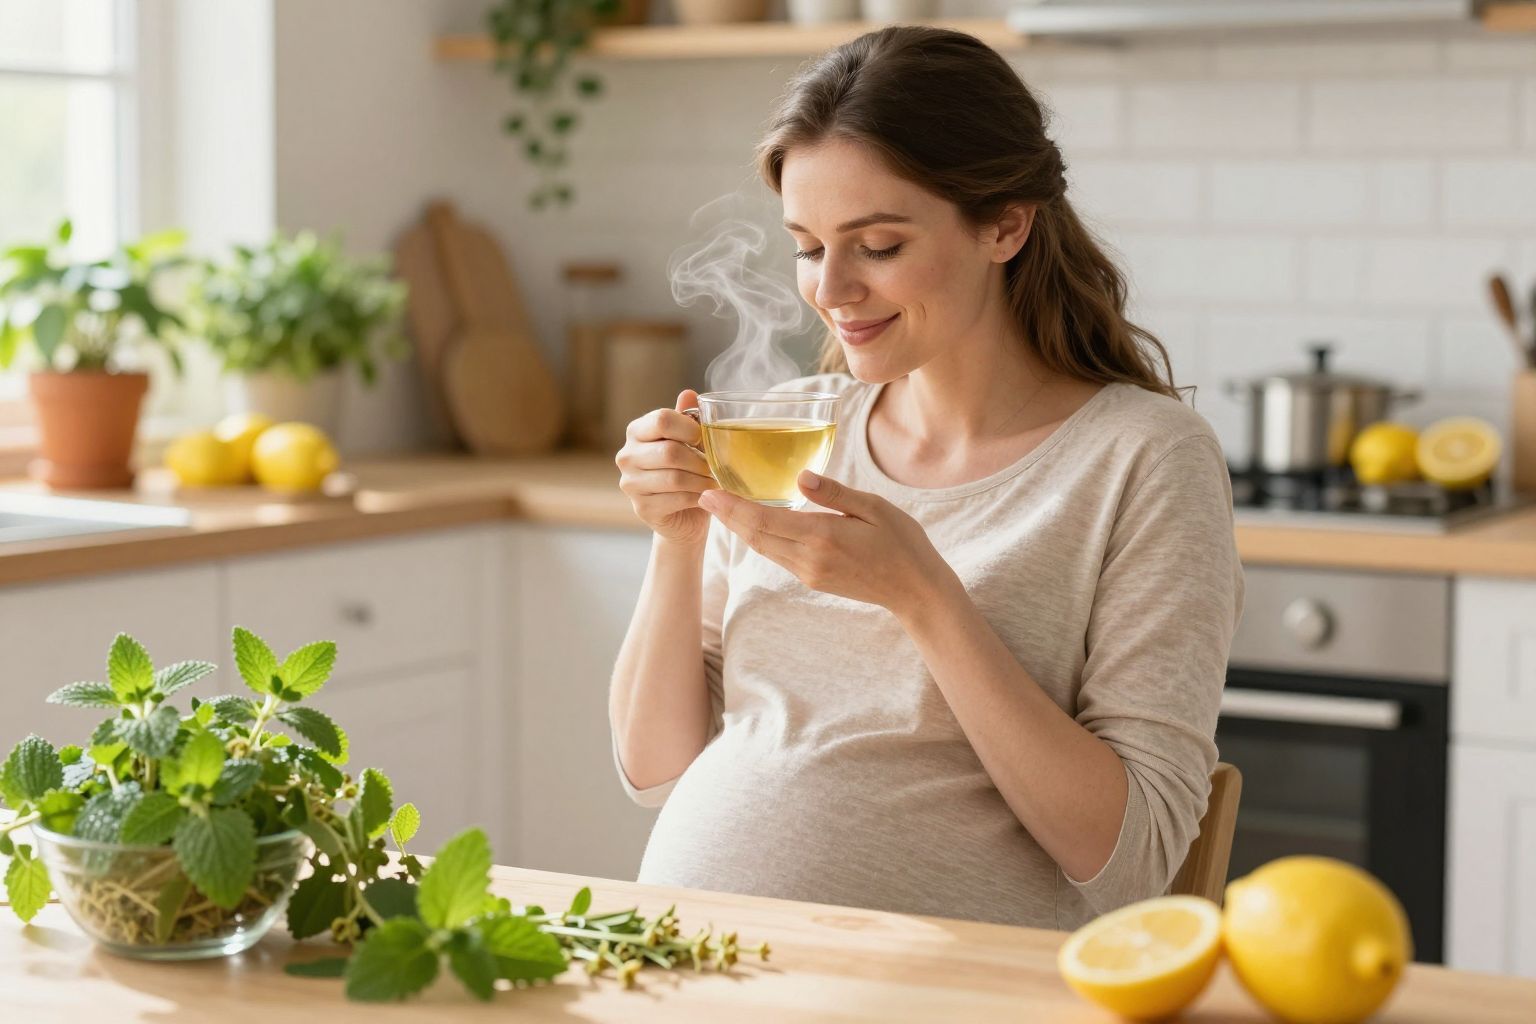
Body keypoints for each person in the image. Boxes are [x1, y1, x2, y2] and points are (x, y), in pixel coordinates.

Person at [609, 25, 1243, 930]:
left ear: (1006, 225)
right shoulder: (795, 430)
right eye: (806, 245)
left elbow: (1131, 859)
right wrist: (679, 541)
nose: (830, 289)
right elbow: (656, 770)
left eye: (876, 245)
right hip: (690, 964)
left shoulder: (1143, 459)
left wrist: (925, 598)